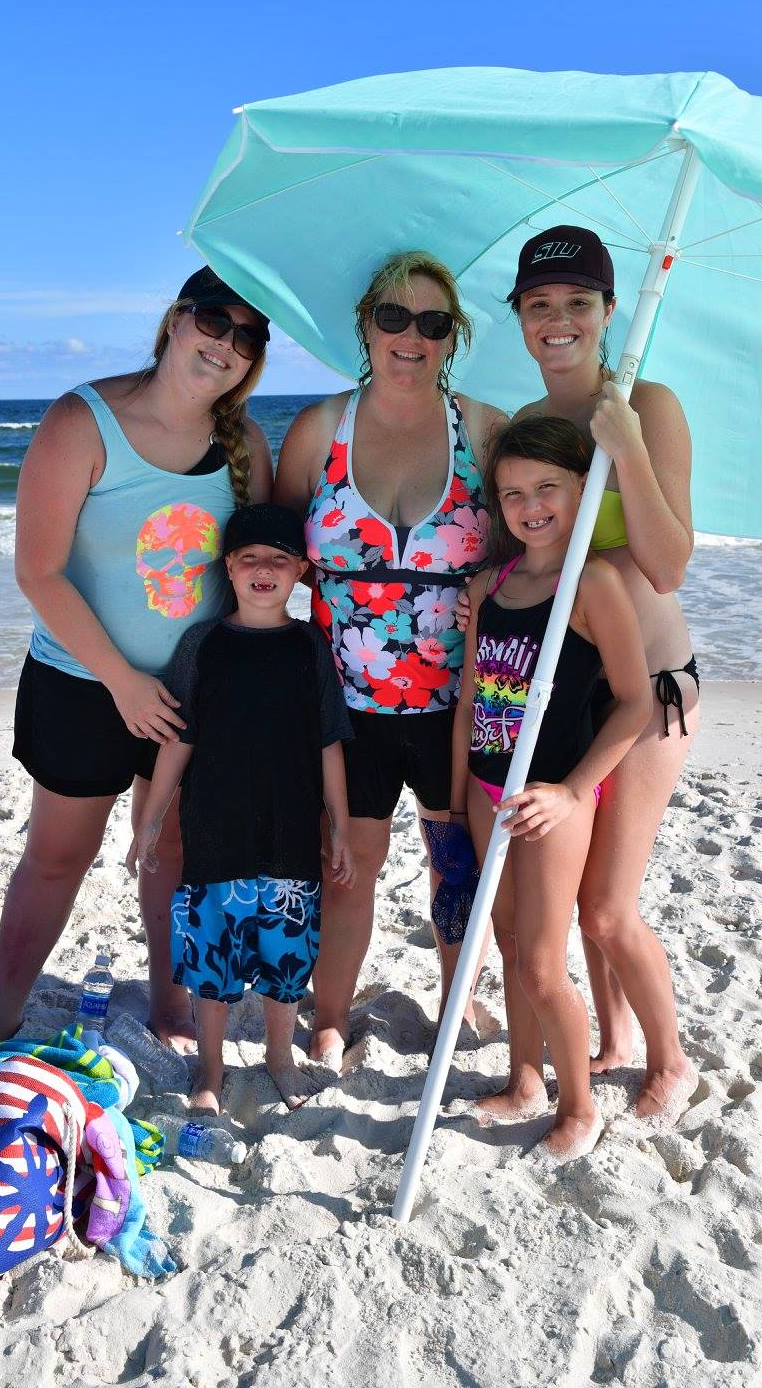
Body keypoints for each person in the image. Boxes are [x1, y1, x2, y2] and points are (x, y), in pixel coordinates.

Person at [0, 268, 273, 1049]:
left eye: (247, 337)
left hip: (188, 696)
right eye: (213, 320)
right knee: (56, 855)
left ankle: (169, 1009)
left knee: (169, 847)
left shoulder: (246, 445)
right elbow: (38, 571)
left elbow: (255, 574)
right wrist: (122, 681)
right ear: (176, 319)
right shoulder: (83, 420)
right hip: (80, 682)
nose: (225, 345)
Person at [460, 223, 700, 1120]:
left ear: (607, 312)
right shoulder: (527, 430)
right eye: (539, 305)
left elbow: (669, 563)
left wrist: (628, 447)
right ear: (521, 318)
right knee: (565, 892)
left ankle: (670, 1062)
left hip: (649, 688)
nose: (558, 320)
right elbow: (515, 552)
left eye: (578, 304)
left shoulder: (651, 404)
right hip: (558, 694)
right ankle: (612, 1042)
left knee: (605, 908)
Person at [273, 250, 508, 1069]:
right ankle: (331, 1015)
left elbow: (529, 551)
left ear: (453, 338)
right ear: (367, 326)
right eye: (394, 317)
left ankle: (456, 1001)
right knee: (350, 864)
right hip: (346, 702)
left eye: (434, 323)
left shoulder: (483, 430)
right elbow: (268, 557)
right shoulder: (316, 430)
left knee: (455, 866)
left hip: (458, 705)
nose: (412, 335)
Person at [452, 416, 652, 1160]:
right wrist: (453, 793)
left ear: (583, 491)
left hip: (553, 797)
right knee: (503, 943)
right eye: (511, 494)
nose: (530, 505)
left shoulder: (592, 583)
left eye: (547, 489)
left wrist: (572, 793)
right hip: (484, 782)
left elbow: (634, 701)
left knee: (540, 960)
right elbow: (473, 700)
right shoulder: (491, 584)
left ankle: (579, 1106)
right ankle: (524, 1080)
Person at [126, 503, 355, 1111]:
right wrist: (149, 821)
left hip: (291, 830)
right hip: (214, 829)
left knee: (286, 953)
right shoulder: (202, 643)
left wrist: (339, 827)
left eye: (279, 559)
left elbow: (330, 741)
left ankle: (279, 1056)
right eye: (249, 557)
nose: (263, 568)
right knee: (212, 955)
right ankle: (210, 1066)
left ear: (301, 570)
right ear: (227, 567)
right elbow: (178, 740)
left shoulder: (310, 645)